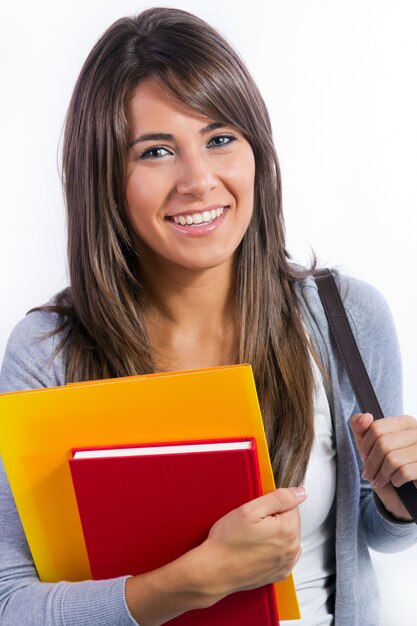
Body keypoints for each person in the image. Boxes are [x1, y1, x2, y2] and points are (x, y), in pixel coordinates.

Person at [0, 7, 416, 626]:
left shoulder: (346, 315)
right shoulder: (49, 350)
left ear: (256, 151)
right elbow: (12, 602)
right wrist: (190, 583)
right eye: (156, 151)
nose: (199, 180)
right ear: (105, 177)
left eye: (220, 138)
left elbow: (377, 532)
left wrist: (400, 498)